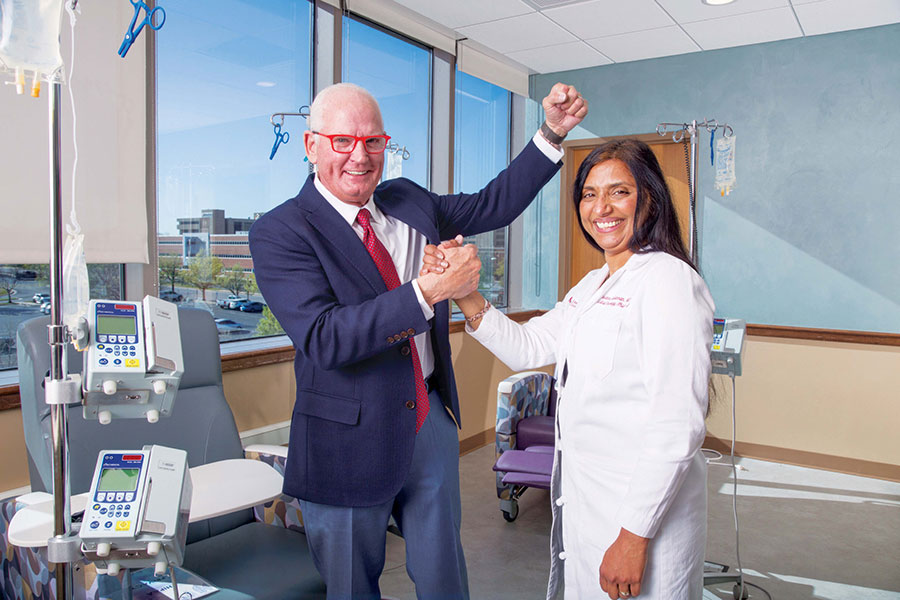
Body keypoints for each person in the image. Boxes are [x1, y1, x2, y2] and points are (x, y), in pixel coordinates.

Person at [249, 81, 587, 599]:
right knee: (352, 588)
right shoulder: (282, 231)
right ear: (311, 145)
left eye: (374, 142)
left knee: (444, 579)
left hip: (427, 419)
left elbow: (491, 205)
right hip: (345, 441)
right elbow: (325, 337)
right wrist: (429, 291)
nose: (360, 157)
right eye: (343, 141)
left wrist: (551, 133)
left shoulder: (408, 201)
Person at [422, 139, 714, 600]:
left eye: (619, 192)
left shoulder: (668, 281)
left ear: (650, 200)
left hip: (639, 517)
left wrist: (634, 536)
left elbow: (677, 424)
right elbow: (529, 345)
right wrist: (462, 291)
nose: (602, 207)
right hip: (590, 506)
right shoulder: (593, 284)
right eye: (589, 194)